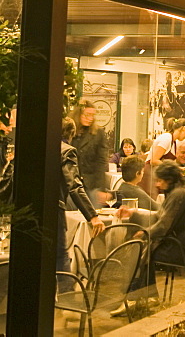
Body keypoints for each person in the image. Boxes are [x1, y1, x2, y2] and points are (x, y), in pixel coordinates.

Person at [120, 162, 185, 311]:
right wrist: (134, 212)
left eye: (160, 180)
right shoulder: (176, 192)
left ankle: (136, 297)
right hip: (179, 243)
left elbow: (163, 225)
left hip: (181, 249)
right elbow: (160, 216)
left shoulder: (178, 195)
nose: (157, 184)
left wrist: (145, 233)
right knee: (144, 249)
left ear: (169, 180)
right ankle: (144, 296)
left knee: (142, 249)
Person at [58, 118, 104, 289]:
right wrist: (93, 216)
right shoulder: (67, 151)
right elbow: (74, 186)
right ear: (71, 134)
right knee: (60, 256)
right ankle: (66, 301)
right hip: (54, 209)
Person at [70, 100, 108, 206]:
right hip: (71, 182)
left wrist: (102, 188)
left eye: (92, 115)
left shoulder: (98, 133)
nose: (90, 118)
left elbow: (101, 162)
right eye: (87, 115)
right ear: (78, 114)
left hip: (91, 183)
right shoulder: (69, 131)